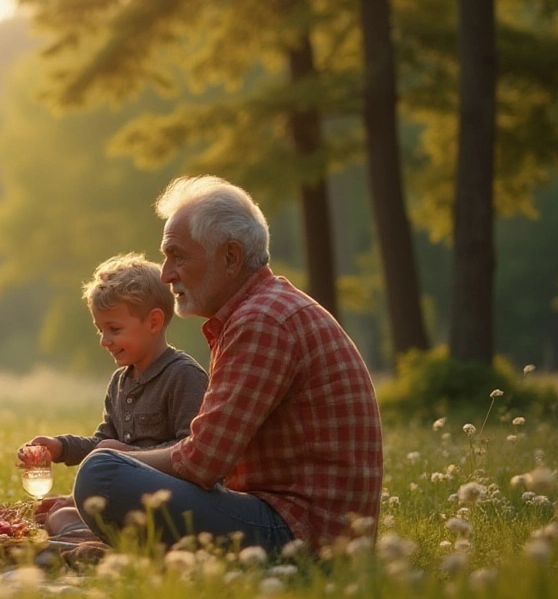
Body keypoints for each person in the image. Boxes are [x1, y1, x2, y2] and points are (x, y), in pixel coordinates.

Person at [72, 175, 383, 553]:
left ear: (231, 258)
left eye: (178, 256)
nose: (166, 273)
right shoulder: (261, 311)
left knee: (101, 473)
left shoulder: (263, 321)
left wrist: (118, 456)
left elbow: (202, 463)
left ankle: (123, 545)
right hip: (295, 524)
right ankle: (125, 548)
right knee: (105, 473)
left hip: (301, 538)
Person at [17, 253, 207, 537]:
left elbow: (191, 452)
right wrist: (59, 447)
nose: (105, 341)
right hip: (123, 496)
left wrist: (127, 456)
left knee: (67, 515)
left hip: (169, 501)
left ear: (154, 322)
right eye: (100, 330)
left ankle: (101, 545)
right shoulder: (121, 381)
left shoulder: (184, 376)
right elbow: (102, 443)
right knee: (57, 515)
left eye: (114, 329)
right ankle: (101, 544)